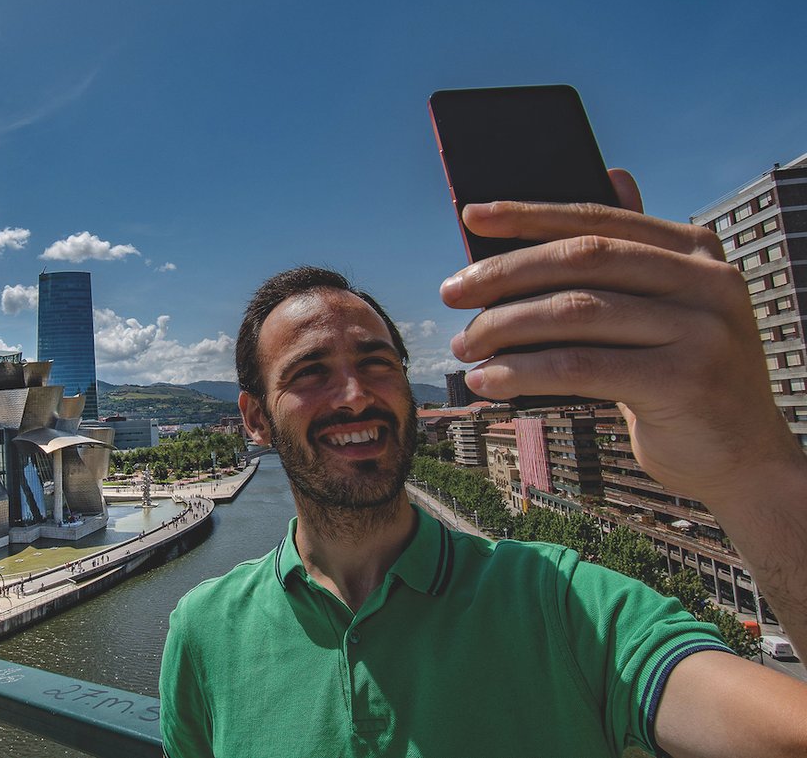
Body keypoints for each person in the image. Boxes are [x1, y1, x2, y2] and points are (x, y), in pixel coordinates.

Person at [159, 171, 807, 758]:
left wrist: (748, 468)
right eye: (310, 372)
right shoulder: (202, 630)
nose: (355, 394)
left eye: (377, 363)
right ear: (254, 418)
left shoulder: (560, 603)